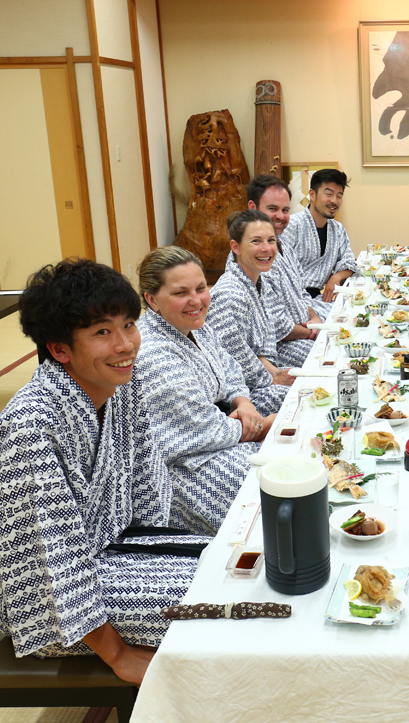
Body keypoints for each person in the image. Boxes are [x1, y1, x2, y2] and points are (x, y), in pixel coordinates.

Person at [0, 259, 209, 685]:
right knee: (224, 608)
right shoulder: (31, 427)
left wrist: (163, 549)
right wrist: (118, 653)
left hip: (111, 550)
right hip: (37, 599)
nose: (125, 345)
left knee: (237, 568)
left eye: (128, 325)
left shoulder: (118, 384)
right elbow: (46, 556)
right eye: (102, 332)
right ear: (60, 350)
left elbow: (146, 479)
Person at [135, 246, 273, 535]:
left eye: (201, 288)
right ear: (152, 299)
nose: (196, 300)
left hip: (225, 424)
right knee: (267, 487)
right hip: (184, 463)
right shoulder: (151, 349)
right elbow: (203, 428)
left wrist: (243, 402)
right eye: (181, 292)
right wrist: (266, 426)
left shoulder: (195, 325)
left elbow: (230, 367)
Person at [207, 210, 293, 415]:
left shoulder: (257, 282)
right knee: (299, 397)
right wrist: (273, 379)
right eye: (256, 241)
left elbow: (256, 349)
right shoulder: (230, 293)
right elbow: (233, 357)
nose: (267, 248)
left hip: (260, 375)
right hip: (237, 397)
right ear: (235, 247)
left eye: (271, 240)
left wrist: (277, 374)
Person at [246, 174, 324, 366]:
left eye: (285, 210)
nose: (280, 216)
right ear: (253, 208)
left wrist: (314, 317)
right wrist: (312, 332)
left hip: (304, 328)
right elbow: (276, 324)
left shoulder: (283, 246)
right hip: (276, 347)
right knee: (330, 356)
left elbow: (301, 293)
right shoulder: (251, 257)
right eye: (272, 209)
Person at [281, 168, 358, 304]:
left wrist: (336, 277)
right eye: (328, 194)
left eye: (339, 196)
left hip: (320, 299)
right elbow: (279, 272)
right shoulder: (292, 226)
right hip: (291, 301)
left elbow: (349, 262)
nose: (334, 201)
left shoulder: (337, 229)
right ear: (312, 194)